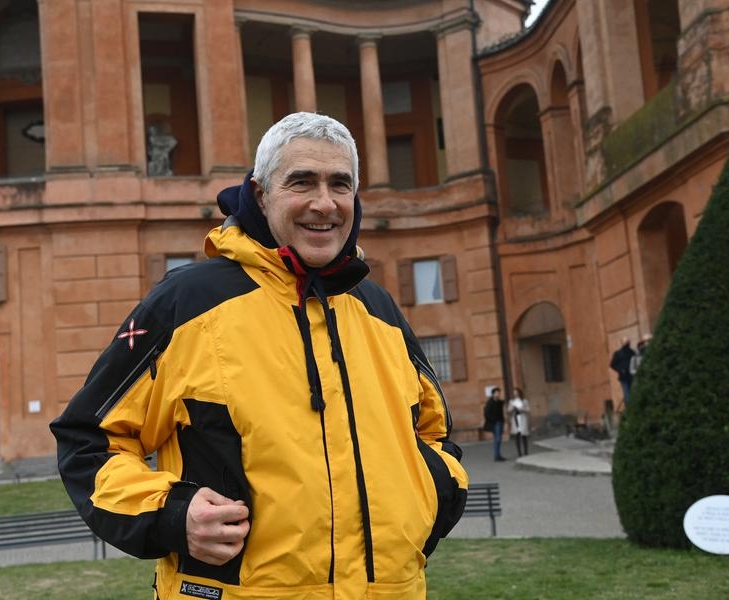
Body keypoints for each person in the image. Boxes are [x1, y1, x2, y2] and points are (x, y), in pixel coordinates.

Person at [51, 112, 469, 600]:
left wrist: (430, 497)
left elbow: (432, 431)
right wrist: (172, 515)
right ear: (260, 194)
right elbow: (88, 439)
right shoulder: (188, 303)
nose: (324, 203)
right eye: (301, 182)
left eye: (341, 184)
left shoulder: (377, 307)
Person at [609, 337, 635, 407]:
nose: (626, 343)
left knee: (633, 392)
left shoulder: (632, 352)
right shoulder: (618, 353)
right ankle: (629, 408)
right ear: (622, 343)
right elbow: (612, 364)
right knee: (627, 393)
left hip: (632, 375)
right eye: (625, 342)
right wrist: (620, 370)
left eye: (627, 342)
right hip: (623, 377)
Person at [483, 387, 506, 462]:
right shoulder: (490, 402)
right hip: (495, 423)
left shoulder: (499, 402)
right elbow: (486, 413)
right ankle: (496, 456)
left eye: (499, 392)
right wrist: (493, 420)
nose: (498, 394)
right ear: (493, 394)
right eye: (496, 392)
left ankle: (498, 455)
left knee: (498, 439)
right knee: (497, 439)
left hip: (500, 422)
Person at [507, 387, 530, 457]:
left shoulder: (524, 401)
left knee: (524, 435)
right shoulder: (511, 401)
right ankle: (519, 452)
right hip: (515, 419)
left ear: (519, 393)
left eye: (516, 392)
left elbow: (528, 409)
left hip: (522, 418)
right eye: (514, 392)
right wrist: (512, 408)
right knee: (517, 436)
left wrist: (523, 409)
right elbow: (508, 410)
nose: (515, 393)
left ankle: (526, 451)